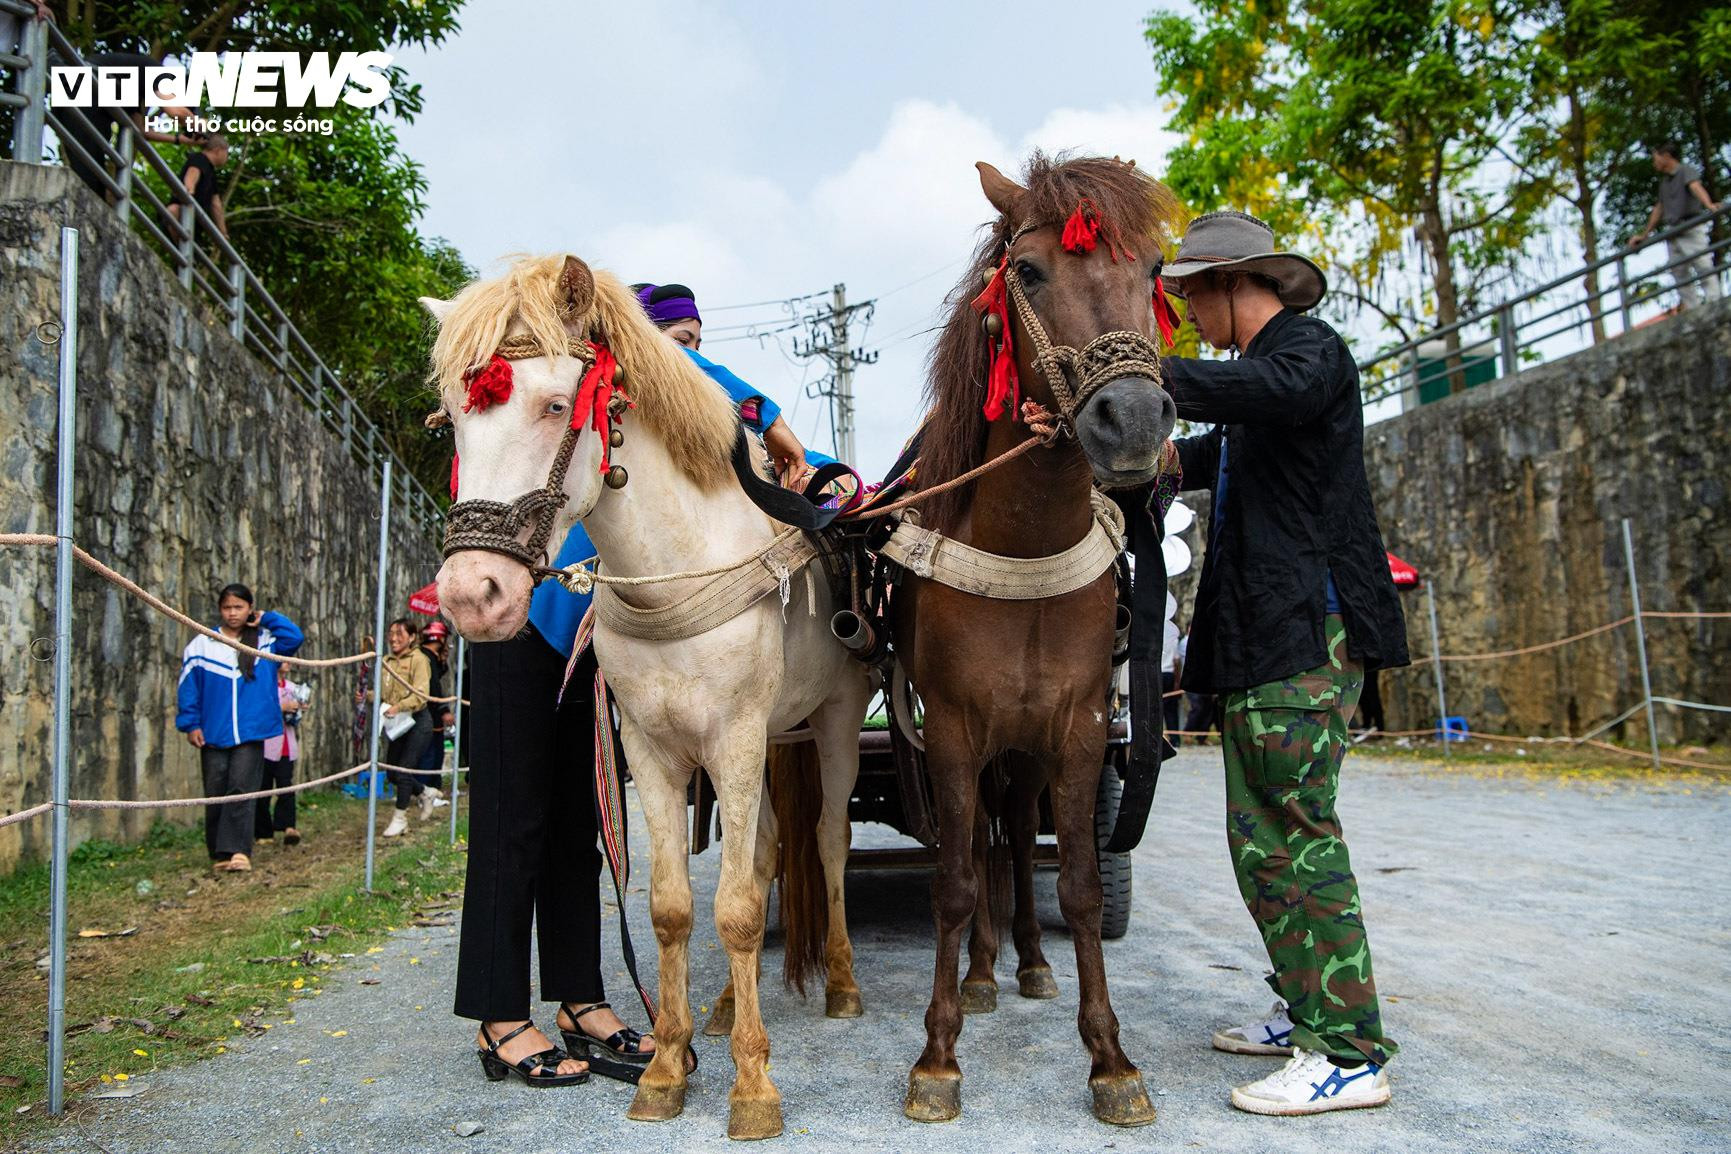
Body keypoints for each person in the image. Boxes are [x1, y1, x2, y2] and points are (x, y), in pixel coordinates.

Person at [455, 281, 817, 1086]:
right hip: (525, 620)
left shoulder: (641, 433)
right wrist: (767, 413)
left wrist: (799, 453)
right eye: (672, 340)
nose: (686, 355)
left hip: (597, 634)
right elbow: (695, 378)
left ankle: (580, 999)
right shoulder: (558, 390)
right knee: (513, 819)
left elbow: (704, 395)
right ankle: (499, 1016)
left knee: (581, 823)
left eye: (695, 340)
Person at [1149, 210, 1410, 1115]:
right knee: (1260, 840)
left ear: (1232, 283)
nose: (1187, 317)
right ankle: (1306, 1008)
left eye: (1191, 297)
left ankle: (1348, 1052)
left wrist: (1139, 370)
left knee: (1296, 834)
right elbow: (1192, 454)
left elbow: (1268, 391)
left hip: (1306, 633)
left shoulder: (1307, 354)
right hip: (1266, 636)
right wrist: (1093, 430)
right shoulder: (1252, 394)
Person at [175, 584, 303, 873]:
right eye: (227, 607)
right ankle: (219, 851)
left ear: (249, 609)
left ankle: (239, 851)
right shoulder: (202, 644)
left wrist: (266, 618)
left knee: (241, 789)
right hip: (213, 731)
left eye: (239, 607)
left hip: (251, 731)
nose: (232, 613)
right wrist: (191, 723)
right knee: (216, 790)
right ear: (219, 610)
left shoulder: (266, 641)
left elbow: (295, 637)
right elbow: (188, 688)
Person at [55, 51, 198, 201]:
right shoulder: (160, 73)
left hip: (73, 93)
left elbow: (140, 131)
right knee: (90, 179)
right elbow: (176, 111)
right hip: (84, 89)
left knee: (90, 174)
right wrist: (199, 124)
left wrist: (179, 139)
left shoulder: (132, 87)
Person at [1629, 142, 1722, 310]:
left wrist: (1709, 205)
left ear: (1666, 157)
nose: (1654, 163)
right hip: (1673, 232)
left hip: (1690, 226)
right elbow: (1659, 208)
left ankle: (1715, 302)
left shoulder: (1685, 170)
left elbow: (1695, 187)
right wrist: (1645, 235)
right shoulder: (1664, 183)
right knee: (1678, 271)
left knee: (1702, 264)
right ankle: (1693, 308)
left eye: (1656, 158)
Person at [375, 617, 442, 837]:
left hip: (418, 721)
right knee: (392, 773)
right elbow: (383, 693)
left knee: (404, 771)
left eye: (399, 634)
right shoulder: (386, 661)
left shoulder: (419, 660)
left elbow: (421, 695)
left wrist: (400, 706)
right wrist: (367, 696)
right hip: (397, 723)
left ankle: (400, 819)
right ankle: (425, 792)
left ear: (412, 637)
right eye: (391, 634)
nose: (393, 638)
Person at [255, 673, 310, 845]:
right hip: (266, 744)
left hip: (287, 744)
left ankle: (288, 826)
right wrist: (282, 707)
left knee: (286, 787)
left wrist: (301, 706)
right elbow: (258, 708)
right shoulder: (264, 685)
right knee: (263, 788)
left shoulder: (292, 687)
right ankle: (263, 832)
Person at [168, 132, 229, 239]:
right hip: (182, 212)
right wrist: (189, 189)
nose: (226, 157)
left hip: (195, 219)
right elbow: (192, 173)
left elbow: (216, 204)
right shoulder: (200, 159)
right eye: (226, 153)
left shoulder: (211, 173)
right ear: (218, 150)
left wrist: (223, 232)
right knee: (173, 210)